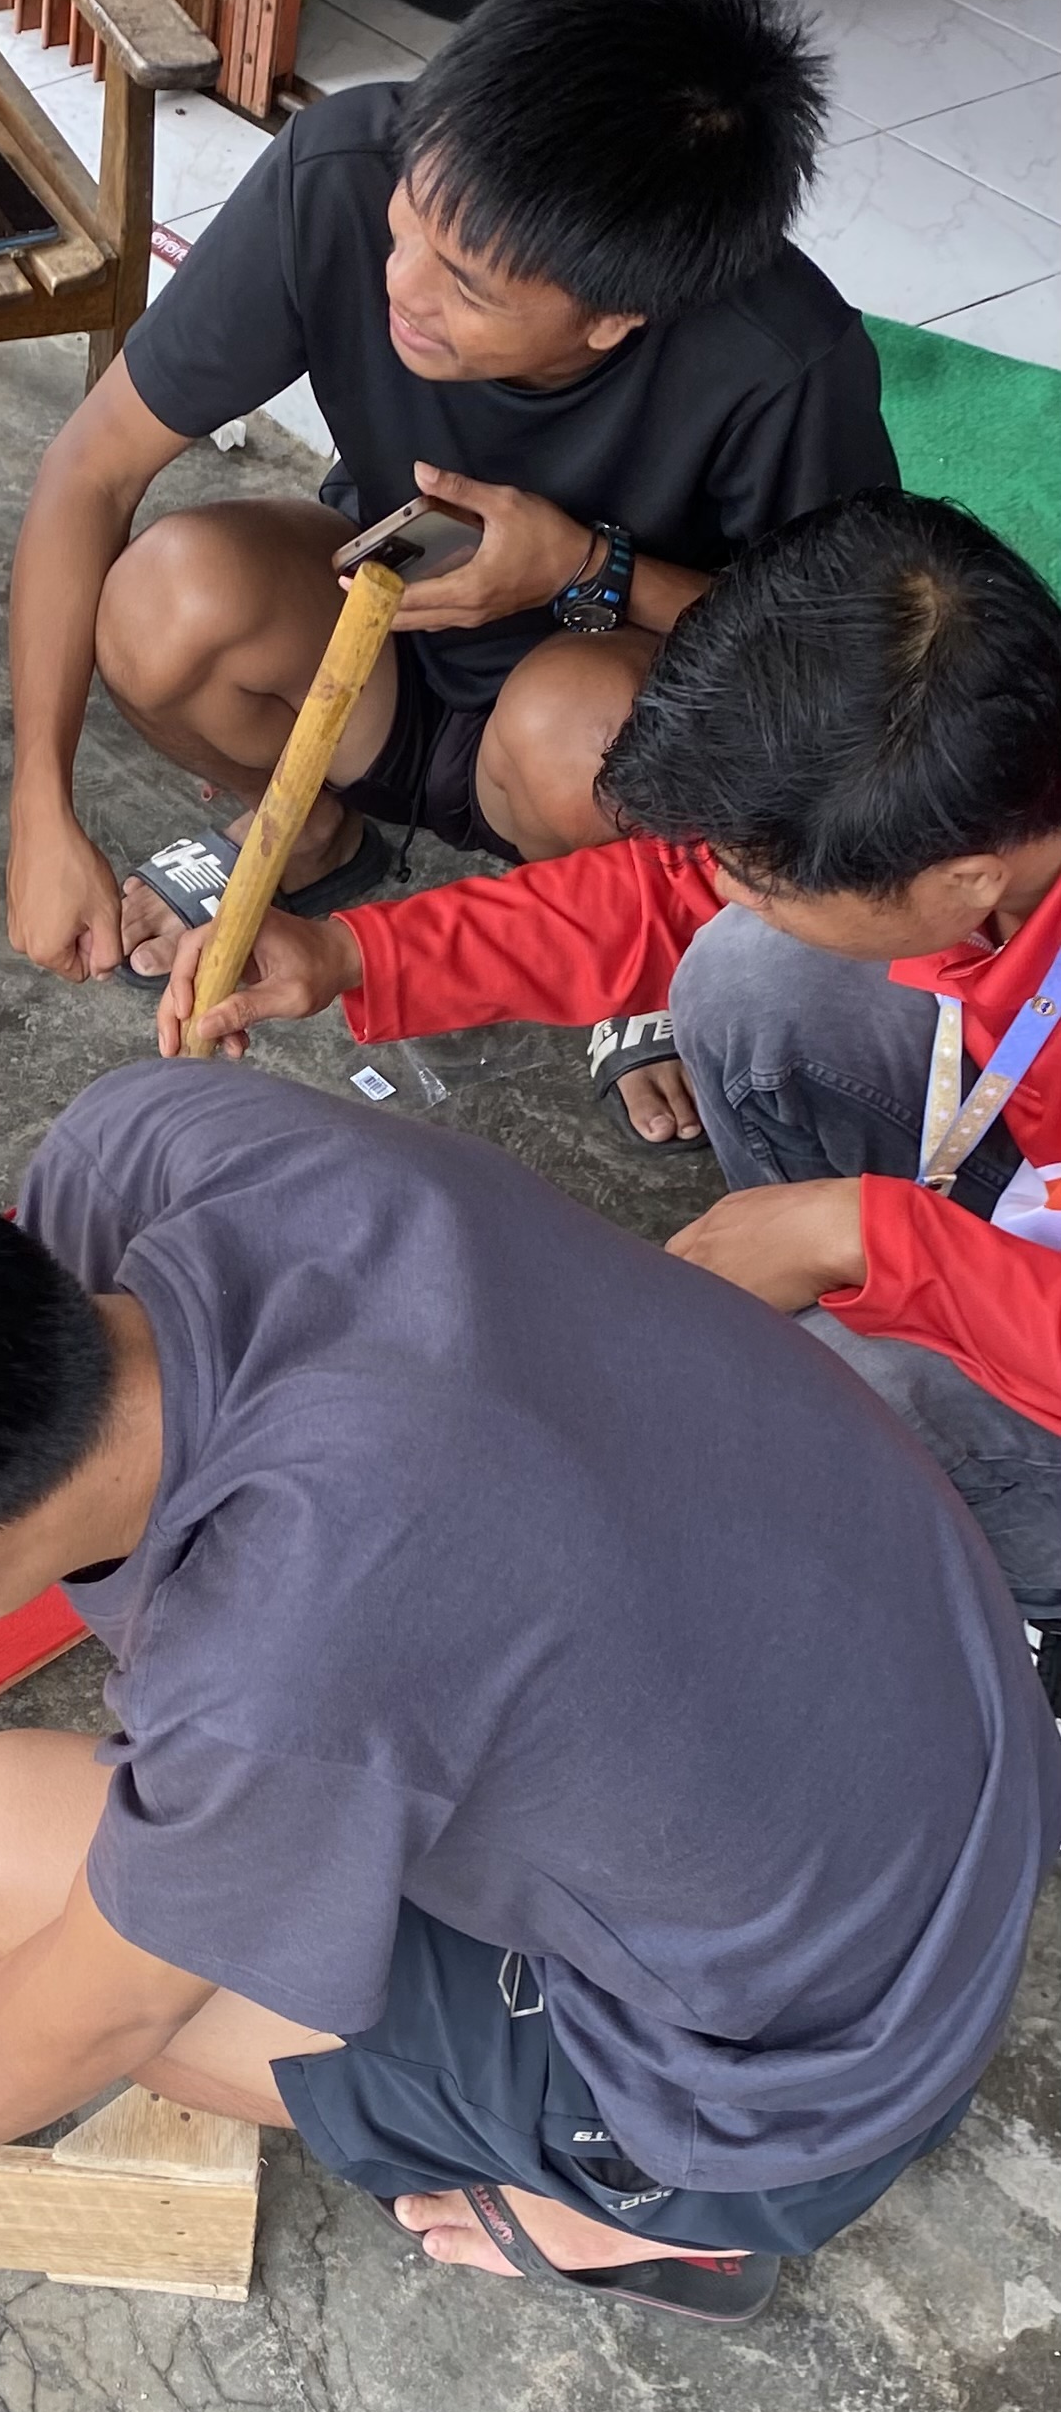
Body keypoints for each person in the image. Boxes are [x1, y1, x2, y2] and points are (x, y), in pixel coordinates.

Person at [0, 1069, 1058, 2319]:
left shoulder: (286, 1661)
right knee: (175, 1812)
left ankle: (663, 2207)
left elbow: (106, 2005)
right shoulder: (167, 1145)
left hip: (805, 2061)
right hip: (931, 1700)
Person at [4, 0, 893, 1139]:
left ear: (614, 316)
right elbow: (88, 470)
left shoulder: (783, 362)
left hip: (601, 745)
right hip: (381, 666)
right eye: (408, 219)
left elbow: (848, 684)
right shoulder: (341, 168)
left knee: (576, 724)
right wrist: (39, 807)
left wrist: (591, 570)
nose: (401, 284)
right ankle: (312, 824)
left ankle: (625, 955)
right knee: (168, 601)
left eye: (468, 285)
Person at [155, 491, 1061, 1655]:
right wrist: (351, 951)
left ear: (969, 881)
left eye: (766, 873)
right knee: (745, 971)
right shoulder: (985, 794)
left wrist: (872, 1239)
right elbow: (664, 895)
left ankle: (1023, 1593)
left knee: (838, 1402)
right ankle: (821, 1337)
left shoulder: (954, 838)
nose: (725, 886)